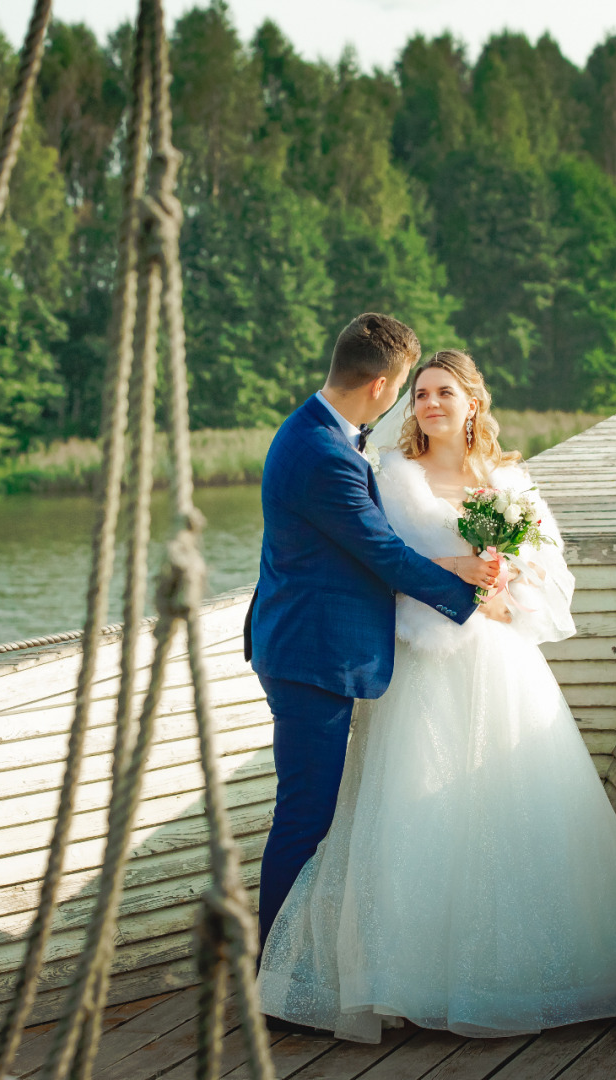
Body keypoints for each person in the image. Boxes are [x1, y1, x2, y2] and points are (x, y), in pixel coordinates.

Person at [256, 349, 616, 1043]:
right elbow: (375, 562)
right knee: (409, 818)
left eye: (445, 391)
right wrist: (459, 583)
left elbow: (545, 566)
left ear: (472, 402)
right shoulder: (392, 477)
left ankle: (516, 977)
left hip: (500, 663)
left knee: (509, 811)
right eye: (420, 393)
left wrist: (507, 595)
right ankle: (404, 979)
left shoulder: (507, 480)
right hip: (423, 666)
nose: (431, 403)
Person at [246, 315, 503, 975]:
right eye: (411, 389)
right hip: (313, 658)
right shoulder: (322, 452)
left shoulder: (322, 431)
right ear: (385, 386)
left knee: (310, 814)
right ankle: (276, 979)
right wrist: (467, 594)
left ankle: (294, 962)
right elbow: (382, 553)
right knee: (304, 820)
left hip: (311, 646)